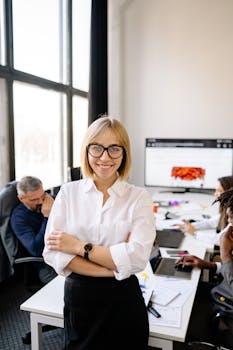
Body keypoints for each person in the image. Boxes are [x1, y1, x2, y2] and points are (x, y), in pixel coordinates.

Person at [43, 115, 156, 350]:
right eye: (97, 148)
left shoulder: (139, 198)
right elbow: (53, 253)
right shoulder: (68, 193)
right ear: (86, 151)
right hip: (80, 299)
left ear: (124, 153)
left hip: (123, 300)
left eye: (114, 148)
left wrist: (77, 246)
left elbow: (137, 258)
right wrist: (113, 267)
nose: (105, 157)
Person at [174, 188, 233, 349]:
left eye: (232, 220)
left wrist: (226, 255)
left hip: (225, 312)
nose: (229, 226)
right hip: (219, 295)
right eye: (228, 219)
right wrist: (209, 265)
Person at [10, 176, 57, 284]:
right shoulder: (19, 218)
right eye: (34, 199)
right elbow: (36, 249)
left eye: (42, 195)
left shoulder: (49, 200)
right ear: (21, 198)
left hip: (68, 250)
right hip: (47, 265)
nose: (41, 201)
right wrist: (47, 217)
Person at [178, 176, 233, 243]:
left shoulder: (231, 213)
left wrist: (195, 233)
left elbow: (220, 240)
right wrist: (188, 226)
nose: (215, 194)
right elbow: (211, 222)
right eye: (216, 190)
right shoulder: (225, 209)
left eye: (220, 191)